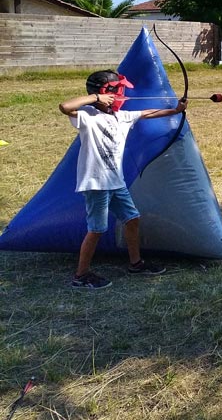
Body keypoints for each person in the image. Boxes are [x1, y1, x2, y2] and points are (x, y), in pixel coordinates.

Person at [59, 70, 187, 289]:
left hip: (115, 181)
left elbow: (146, 113)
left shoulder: (121, 116)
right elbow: (64, 107)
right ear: (104, 92)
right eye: (118, 90)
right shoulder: (88, 115)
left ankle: (135, 263)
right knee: (97, 229)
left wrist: (175, 110)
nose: (122, 94)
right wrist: (96, 98)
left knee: (132, 218)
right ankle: (80, 276)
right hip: (97, 183)